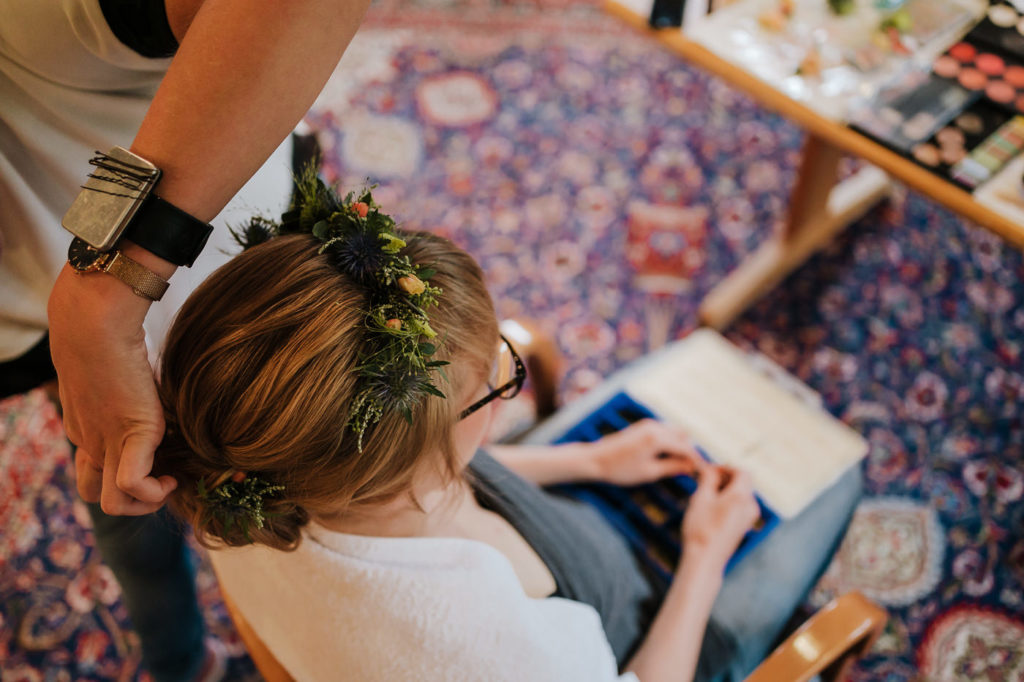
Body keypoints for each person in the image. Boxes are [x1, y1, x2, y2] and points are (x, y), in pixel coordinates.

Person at [153, 179, 863, 681]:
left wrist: (591, 461)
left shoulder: (248, 467)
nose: (504, 392)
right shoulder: (493, 655)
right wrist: (705, 552)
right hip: (643, 644)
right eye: (492, 387)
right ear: (418, 458)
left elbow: (445, 481)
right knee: (838, 477)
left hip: (559, 542)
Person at [1, 0, 370, 678]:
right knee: (128, 488)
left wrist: (103, 291)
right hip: (44, 306)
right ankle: (181, 661)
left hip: (232, 267)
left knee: (302, 488)